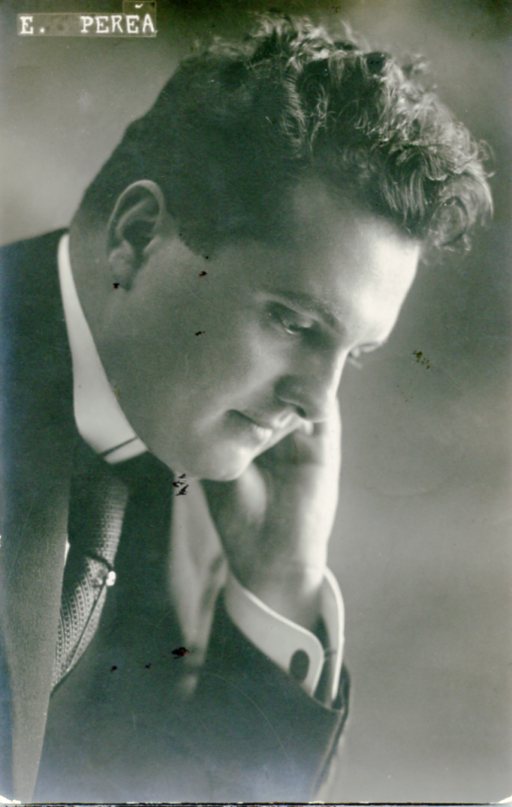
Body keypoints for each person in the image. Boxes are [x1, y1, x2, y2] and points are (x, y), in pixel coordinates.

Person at [0, 14, 492, 804]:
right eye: (294, 322)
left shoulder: (199, 495)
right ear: (137, 236)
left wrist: (280, 579)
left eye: (354, 354)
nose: (317, 403)